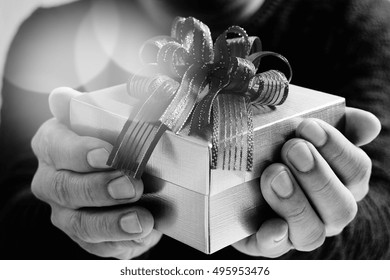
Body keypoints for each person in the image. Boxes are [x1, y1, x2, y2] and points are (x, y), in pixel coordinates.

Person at [0, 0, 389, 260]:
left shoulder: (366, 22)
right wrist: (65, 214)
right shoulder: (50, 34)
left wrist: (329, 232)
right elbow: (10, 208)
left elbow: (382, 207)